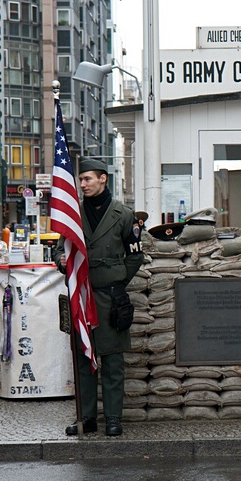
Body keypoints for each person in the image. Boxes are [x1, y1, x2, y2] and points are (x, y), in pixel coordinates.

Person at [53, 158, 144, 437]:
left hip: (110, 298)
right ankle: (87, 418)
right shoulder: (74, 213)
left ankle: (114, 418)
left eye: (88, 179)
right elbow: (59, 250)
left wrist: (116, 279)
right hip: (82, 296)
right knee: (84, 359)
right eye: (81, 180)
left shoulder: (123, 214)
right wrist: (64, 264)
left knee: (113, 361)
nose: (83, 185)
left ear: (103, 179)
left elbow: (135, 255)